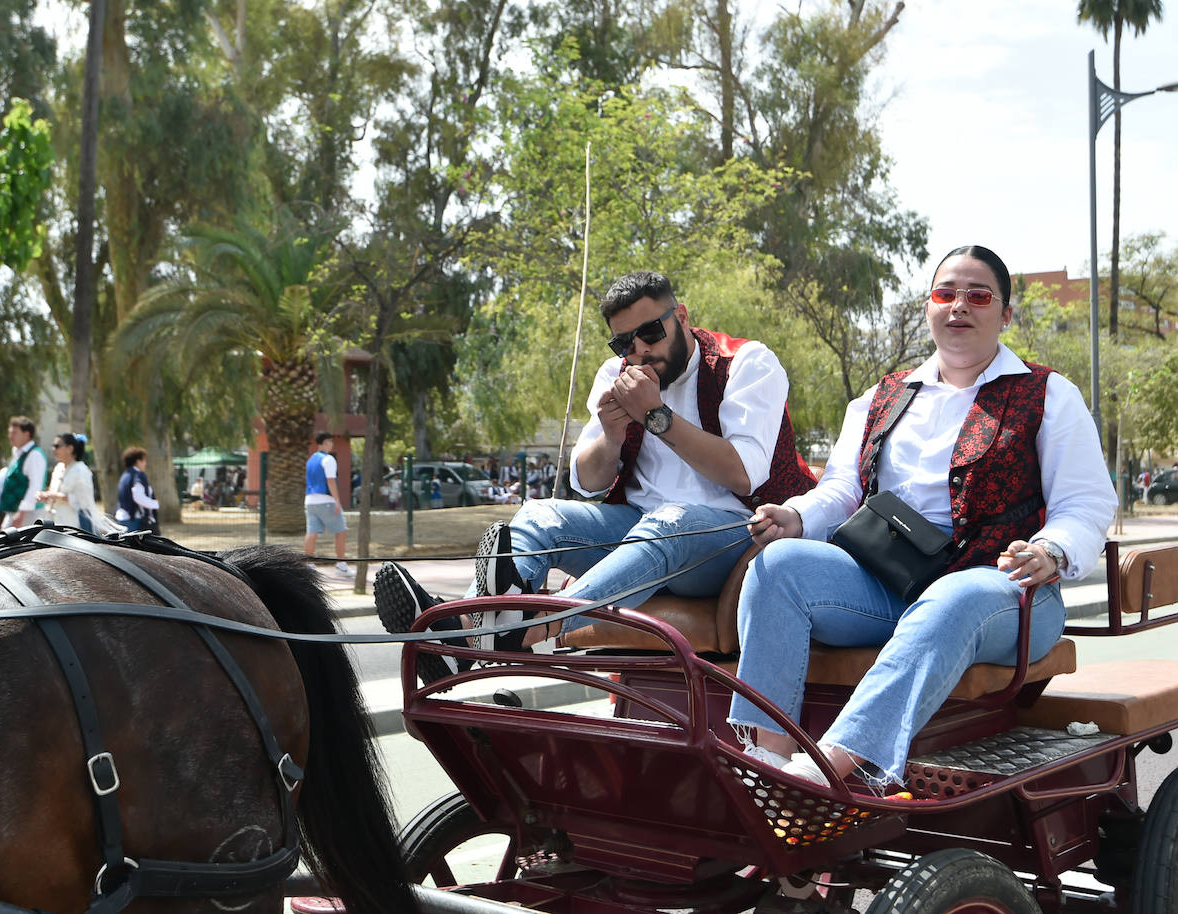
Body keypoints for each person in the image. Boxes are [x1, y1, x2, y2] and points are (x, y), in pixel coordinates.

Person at [727, 244, 1116, 789]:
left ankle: (829, 773)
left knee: (950, 598)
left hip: (1004, 591)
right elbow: (842, 489)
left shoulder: (1047, 393)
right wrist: (796, 517)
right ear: (928, 306)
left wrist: (1050, 550)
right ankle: (769, 762)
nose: (959, 306)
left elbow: (1087, 503)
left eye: (978, 296)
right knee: (778, 566)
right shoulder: (883, 396)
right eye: (945, 293)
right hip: (891, 585)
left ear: (1005, 314)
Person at [374, 269, 816, 685]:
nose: (639, 351)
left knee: (670, 523)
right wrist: (611, 433)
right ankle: (468, 631)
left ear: (680, 317)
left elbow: (743, 474)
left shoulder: (746, 363)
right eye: (624, 342)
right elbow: (587, 481)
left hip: (737, 539)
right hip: (639, 532)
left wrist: (655, 416)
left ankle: (523, 631)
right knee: (540, 516)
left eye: (650, 333)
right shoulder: (615, 376)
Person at [304, 432, 351, 574]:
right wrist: (337, 500)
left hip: (310, 500)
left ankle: (309, 564)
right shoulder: (329, 459)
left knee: (311, 532)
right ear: (324, 443)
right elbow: (330, 480)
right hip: (326, 500)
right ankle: (341, 565)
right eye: (330, 441)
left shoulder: (311, 459)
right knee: (341, 531)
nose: (332, 444)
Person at [38, 433, 96, 532]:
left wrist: (57, 496)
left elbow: (84, 502)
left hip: (75, 526)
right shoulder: (58, 468)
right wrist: (45, 496)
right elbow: (54, 493)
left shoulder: (81, 470)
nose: (54, 449)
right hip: (55, 523)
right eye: (53, 446)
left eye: (57, 446)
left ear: (70, 448)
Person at [0, 416, 48, 527]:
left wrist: (22, 512)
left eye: (14, 433)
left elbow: (35, 486)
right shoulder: (17, 452)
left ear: (27, 434)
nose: (10, 436)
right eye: (10, 432)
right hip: (15, 511)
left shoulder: (35, 455)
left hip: (29, 515)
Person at [116, 447, 160, 533]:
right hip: (133, 520)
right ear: (138, 461)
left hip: (122, 517)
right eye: (144, 460)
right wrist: (155, 504)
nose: (145, 463)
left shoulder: (125, 475)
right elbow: (138, 497)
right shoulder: (138, 475)